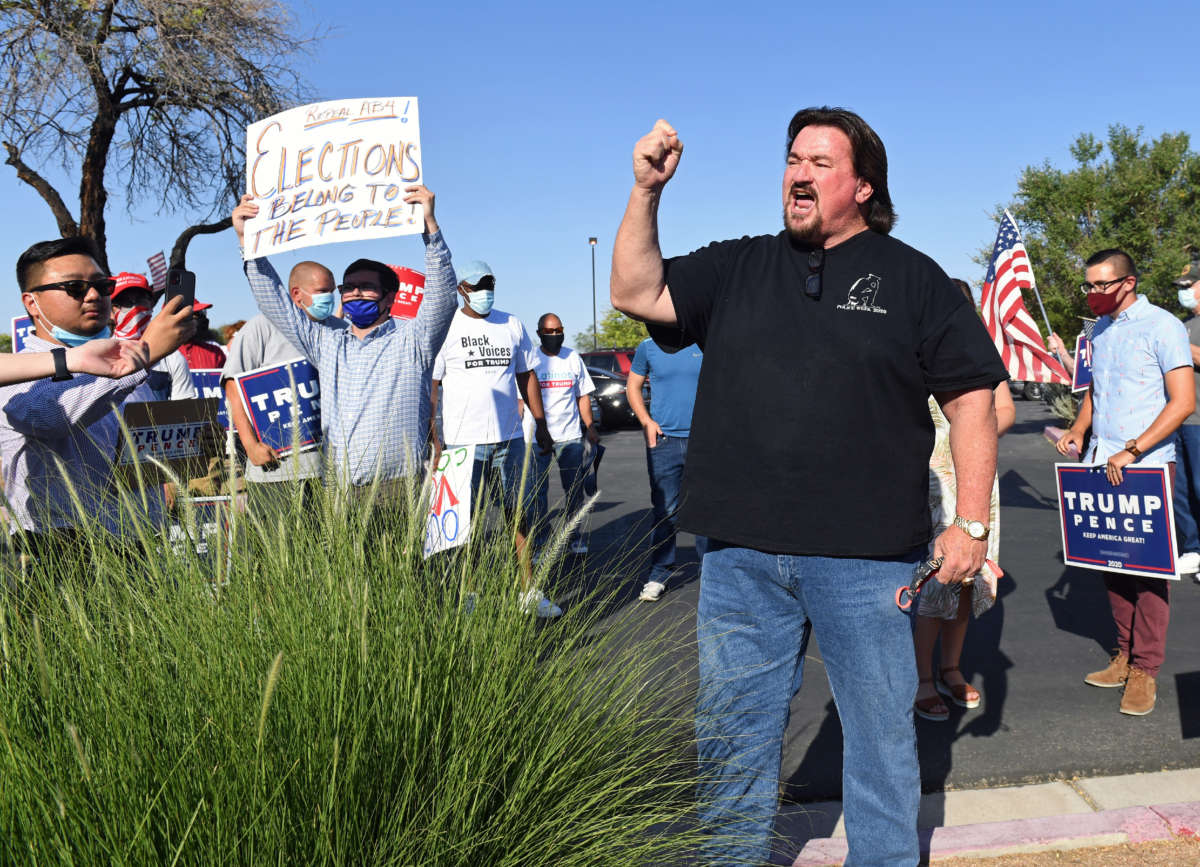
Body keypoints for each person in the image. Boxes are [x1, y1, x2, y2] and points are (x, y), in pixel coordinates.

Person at [610, 109, 1007, 864]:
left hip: (869, 562)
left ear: (861, 186)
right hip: (740, 557)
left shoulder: (913, 277)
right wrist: (646, 191)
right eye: (794, 157)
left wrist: (973, 524)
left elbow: (971, 402)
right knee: (731, 732)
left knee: (882, 740)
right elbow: (637, 291)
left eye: (822, 162)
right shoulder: (738, 265)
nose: (800, 171)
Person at [231, 186, 456, 490]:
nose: (354, 293)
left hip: (397, 488)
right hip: (339, 490)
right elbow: (273, 301)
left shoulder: (414, 339)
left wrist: (430, 226)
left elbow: (443, 296)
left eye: (365, 287)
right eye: (347, 287)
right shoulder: (327, 341)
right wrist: (248, 242)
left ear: (390, 296)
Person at [1057, 249, 1193, 715]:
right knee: (1110, 563)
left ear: (1129, 282)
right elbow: (1097, 390)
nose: (1094, 294)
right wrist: (1079, 428)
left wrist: (1133, 449)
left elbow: (1183, 402)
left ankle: (1145, 671)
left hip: (1147, 464)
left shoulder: (1164, 327)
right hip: (1101, 462)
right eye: (1089, 286)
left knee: (1148, 571)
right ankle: (1124, 654)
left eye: (1102, 285)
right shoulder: (1101, 330)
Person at [0, 237, 195, 556]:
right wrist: (143, 358)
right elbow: (50, 418)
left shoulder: (128, 362)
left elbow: (144, 447)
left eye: (103, 286)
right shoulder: (17, 371)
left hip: (138, 540)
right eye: (75, 287)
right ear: (32, 302)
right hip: (59, 546)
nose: (94, 296)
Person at [912, 278, 1015, 721]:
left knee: (968, 583)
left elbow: (1004, 408)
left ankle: (952, 668)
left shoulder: (979, 347)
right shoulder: (912, 343)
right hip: (929, 478)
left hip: (973, 481)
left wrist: (973, 439)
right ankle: (921, 679)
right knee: (934, 582)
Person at [430, 262, 559, 617]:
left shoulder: (511, 323)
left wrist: (541, 424)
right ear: (462, 289)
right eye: (479, 285)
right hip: (461, 444)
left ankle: (529, 593)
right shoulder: (446, 328)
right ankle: (470, 595)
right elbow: (433, 385)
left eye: (491, 284)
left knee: (519, 515)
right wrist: (434, 438)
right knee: (465, 523)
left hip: (510, 439)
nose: (486, 291)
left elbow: (527, 375)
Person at [221, 261, 346, 505]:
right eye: (322, 292)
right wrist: (251, 446)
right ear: (297, 294)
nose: (330, 298)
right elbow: (233, 386)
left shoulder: (340, 330)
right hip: (276, 472)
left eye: (333, 291)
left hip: (331, 470)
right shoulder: (261, 327)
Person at [625, 336, 704, 602]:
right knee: (665, 511)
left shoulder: (704, 341)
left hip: (703, 441)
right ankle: (658, 575)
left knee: (705, 510)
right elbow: (632, 387)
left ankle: (712, 577)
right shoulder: (648, 347)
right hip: (664, 441)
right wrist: (646, 421)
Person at [527, 313, 599, 556]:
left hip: (570, 435)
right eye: (550, 332)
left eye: (559, 330)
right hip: (538, 437)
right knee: (537, 493)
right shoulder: (530, 359)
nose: (555, 336)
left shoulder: (572, 357)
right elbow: (521, 400)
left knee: (575, 490)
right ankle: (540, 542)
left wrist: (589, 426)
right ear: (539, 334)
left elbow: (582, 395)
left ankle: (573, 536)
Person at [110, 271, 197, 400]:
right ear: (111, 311)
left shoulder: (172, 358)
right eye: (124, 301)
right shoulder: (104, 353)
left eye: (140, 299)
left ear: (151, 304)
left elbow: (185, 412)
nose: (134, 307)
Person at [1170, 262, 1200, 580]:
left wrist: (1182, 345)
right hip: (1177, 418)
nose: (1183, 292)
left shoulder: (1182, 333)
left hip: (1199, 420)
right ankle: (1193, 548)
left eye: (1188, 285)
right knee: (1179, 490)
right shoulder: (1182, 324)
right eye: (1180, 286)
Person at [178, 301, 227, 369]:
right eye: (196, 314)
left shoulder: (215, 352)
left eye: (203, 314)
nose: (203, 319)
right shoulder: (162, 354)